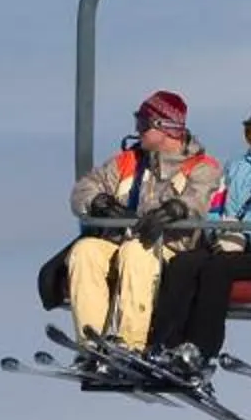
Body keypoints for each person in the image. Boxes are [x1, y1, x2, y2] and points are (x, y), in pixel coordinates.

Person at [62, 89, 225, 355]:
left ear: (165, 128)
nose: (138, 130)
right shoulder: (127, 161)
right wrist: (97, 202)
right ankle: (92, 344)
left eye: (143, 124)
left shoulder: (201, 166)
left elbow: (201, 199)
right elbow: (83, 188)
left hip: (170, 248)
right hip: (122, 240)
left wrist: (175, 210)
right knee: (85, 251)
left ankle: (132, 344)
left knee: (136, 252)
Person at [146, 104, 251, 366]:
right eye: (249, 134)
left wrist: (247, 237)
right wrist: (222, 231)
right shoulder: (236, 167)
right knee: (183, 263)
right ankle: (165, 344)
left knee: (216, 270)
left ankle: (201, 351)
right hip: (225, 244)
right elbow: (215, 208)